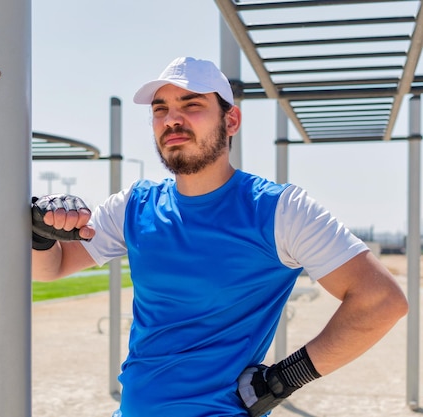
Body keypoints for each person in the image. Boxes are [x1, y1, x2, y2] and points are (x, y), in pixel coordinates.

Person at [31, 56, 408, 417]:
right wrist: (42, 232)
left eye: (191, 105)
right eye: (160, 109)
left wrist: (283, 379)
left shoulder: (279, 210)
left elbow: (381, 302)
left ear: (231, 121)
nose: (172, 119)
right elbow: (53, 266)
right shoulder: (134, 204)